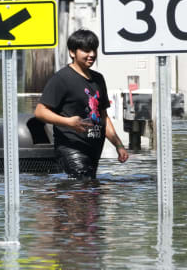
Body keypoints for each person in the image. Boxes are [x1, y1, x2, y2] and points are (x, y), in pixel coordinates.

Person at [34, 29, 129, 178]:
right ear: (72, 52)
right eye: (86, 50)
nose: (92, 54)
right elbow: (40, 111)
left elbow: (103, 116)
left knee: (90, 194)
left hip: (94, 148)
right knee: (82, 187)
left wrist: (118, 145)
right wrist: (68, 122)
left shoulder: (98, 79)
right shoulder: (62, 78)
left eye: (94, 50)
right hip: (71, 147)